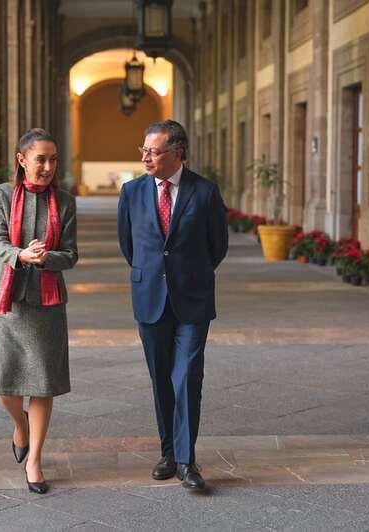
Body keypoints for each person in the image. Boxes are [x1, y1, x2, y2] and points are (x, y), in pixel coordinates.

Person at [117, 120, 228, 490]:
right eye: (143, 150)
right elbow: (129, 246)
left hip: (193, 299)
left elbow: (218, 246)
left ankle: (186, 460)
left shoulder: (205, 192)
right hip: (149, 297)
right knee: (160, 378)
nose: (146, 157)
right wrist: (153, 274)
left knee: (187, 376)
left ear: (177, 152)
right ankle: (167, 452)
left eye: (154, 151)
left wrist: (188, 274)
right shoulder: (131, 192)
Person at [0, 128, 78, 494]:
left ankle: (35, 461)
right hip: (8, 298)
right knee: (4, 382)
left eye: (53, 159)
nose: (48, 166)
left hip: (48, 301)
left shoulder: (66, 202)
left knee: (43, 383)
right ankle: (20, 425)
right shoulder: (1, 195)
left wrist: (45, 258)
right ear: (22, 159)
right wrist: (20, 255)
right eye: (41, 159)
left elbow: (70, 254)